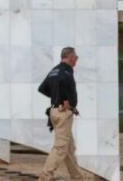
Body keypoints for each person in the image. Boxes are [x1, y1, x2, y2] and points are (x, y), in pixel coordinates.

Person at [37, 47, 84, 181]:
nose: (76, 60)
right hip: (63, 113)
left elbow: (42, 88)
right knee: (60, 148)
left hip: (55, 111)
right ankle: (45, 176)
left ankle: (77, 177)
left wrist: (56, 97)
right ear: (70, 57)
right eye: (76, 57)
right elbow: (63, 81)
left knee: (69, 148)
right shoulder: (66, 71)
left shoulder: (54, 70)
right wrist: (65, 100)